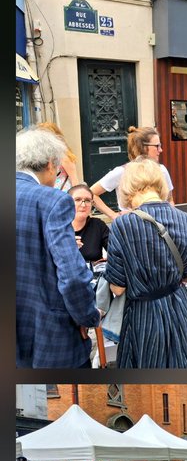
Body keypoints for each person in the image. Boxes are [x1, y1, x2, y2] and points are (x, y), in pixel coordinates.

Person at [103, 158, 187, 368]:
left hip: (143, 314)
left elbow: (118, 287)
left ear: (128, 189)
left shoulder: (122, 224)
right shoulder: (186, 219)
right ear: (159, 185)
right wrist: (171, 275)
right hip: (179, 307)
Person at [16, 127, 100, 368]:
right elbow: (73, 276)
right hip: (52, 338)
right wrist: (87, 317)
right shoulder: (53, 200)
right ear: (51, 165)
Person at [91, 125, 174, 219]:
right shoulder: (122, 172)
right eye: (157, 146)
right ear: (142, 147)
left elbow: (170, 200)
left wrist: (171, 219)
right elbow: (91, 193)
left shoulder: (162, 170)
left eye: (160, 145)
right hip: (131, 226)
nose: (161, 150)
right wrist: (113, 215)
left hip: (160, 224)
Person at [70, 184, 109, 266]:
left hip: (94, 276)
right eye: (77, 199)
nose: (83, 205)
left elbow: (116, 251)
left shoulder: (98, 225)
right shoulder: (57, 227)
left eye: (87, 200)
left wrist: (110, 261)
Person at [36, 121, 79, 191]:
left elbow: (74, 180)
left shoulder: (63, 155)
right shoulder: (45, 155)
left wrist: (76, 198)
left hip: (63, 193)